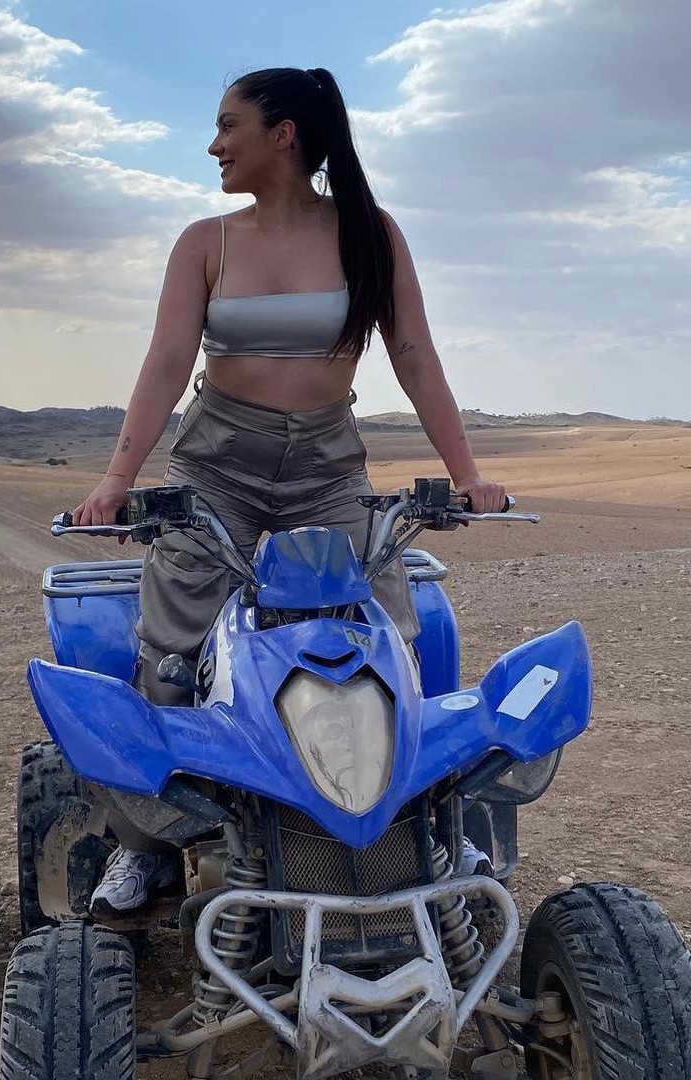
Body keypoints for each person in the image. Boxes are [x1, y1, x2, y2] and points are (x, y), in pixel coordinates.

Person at [72, 67, 503, 917]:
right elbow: (165, 363)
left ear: (285, 134)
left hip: (326, 470)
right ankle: (152, 843)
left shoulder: (368, 233)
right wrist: (118, 480)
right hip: (217, 467)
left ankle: (425, 827)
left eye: (228, 124)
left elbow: (414, 354)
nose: (214, 143)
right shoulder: (206, 241)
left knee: (386, 628)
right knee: (172, 643)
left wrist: (466, 474)